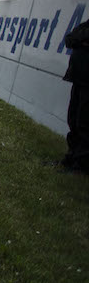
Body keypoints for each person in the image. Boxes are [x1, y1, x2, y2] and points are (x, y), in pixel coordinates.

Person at [61, 18, 89, 174]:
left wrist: (79, 38)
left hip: (87, 81)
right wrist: (81, 40)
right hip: (78, 77)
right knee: (73, 119)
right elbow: (70, 38)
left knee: (84, 122)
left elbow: (77, 37)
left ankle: (81, 165)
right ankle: (71, 158)